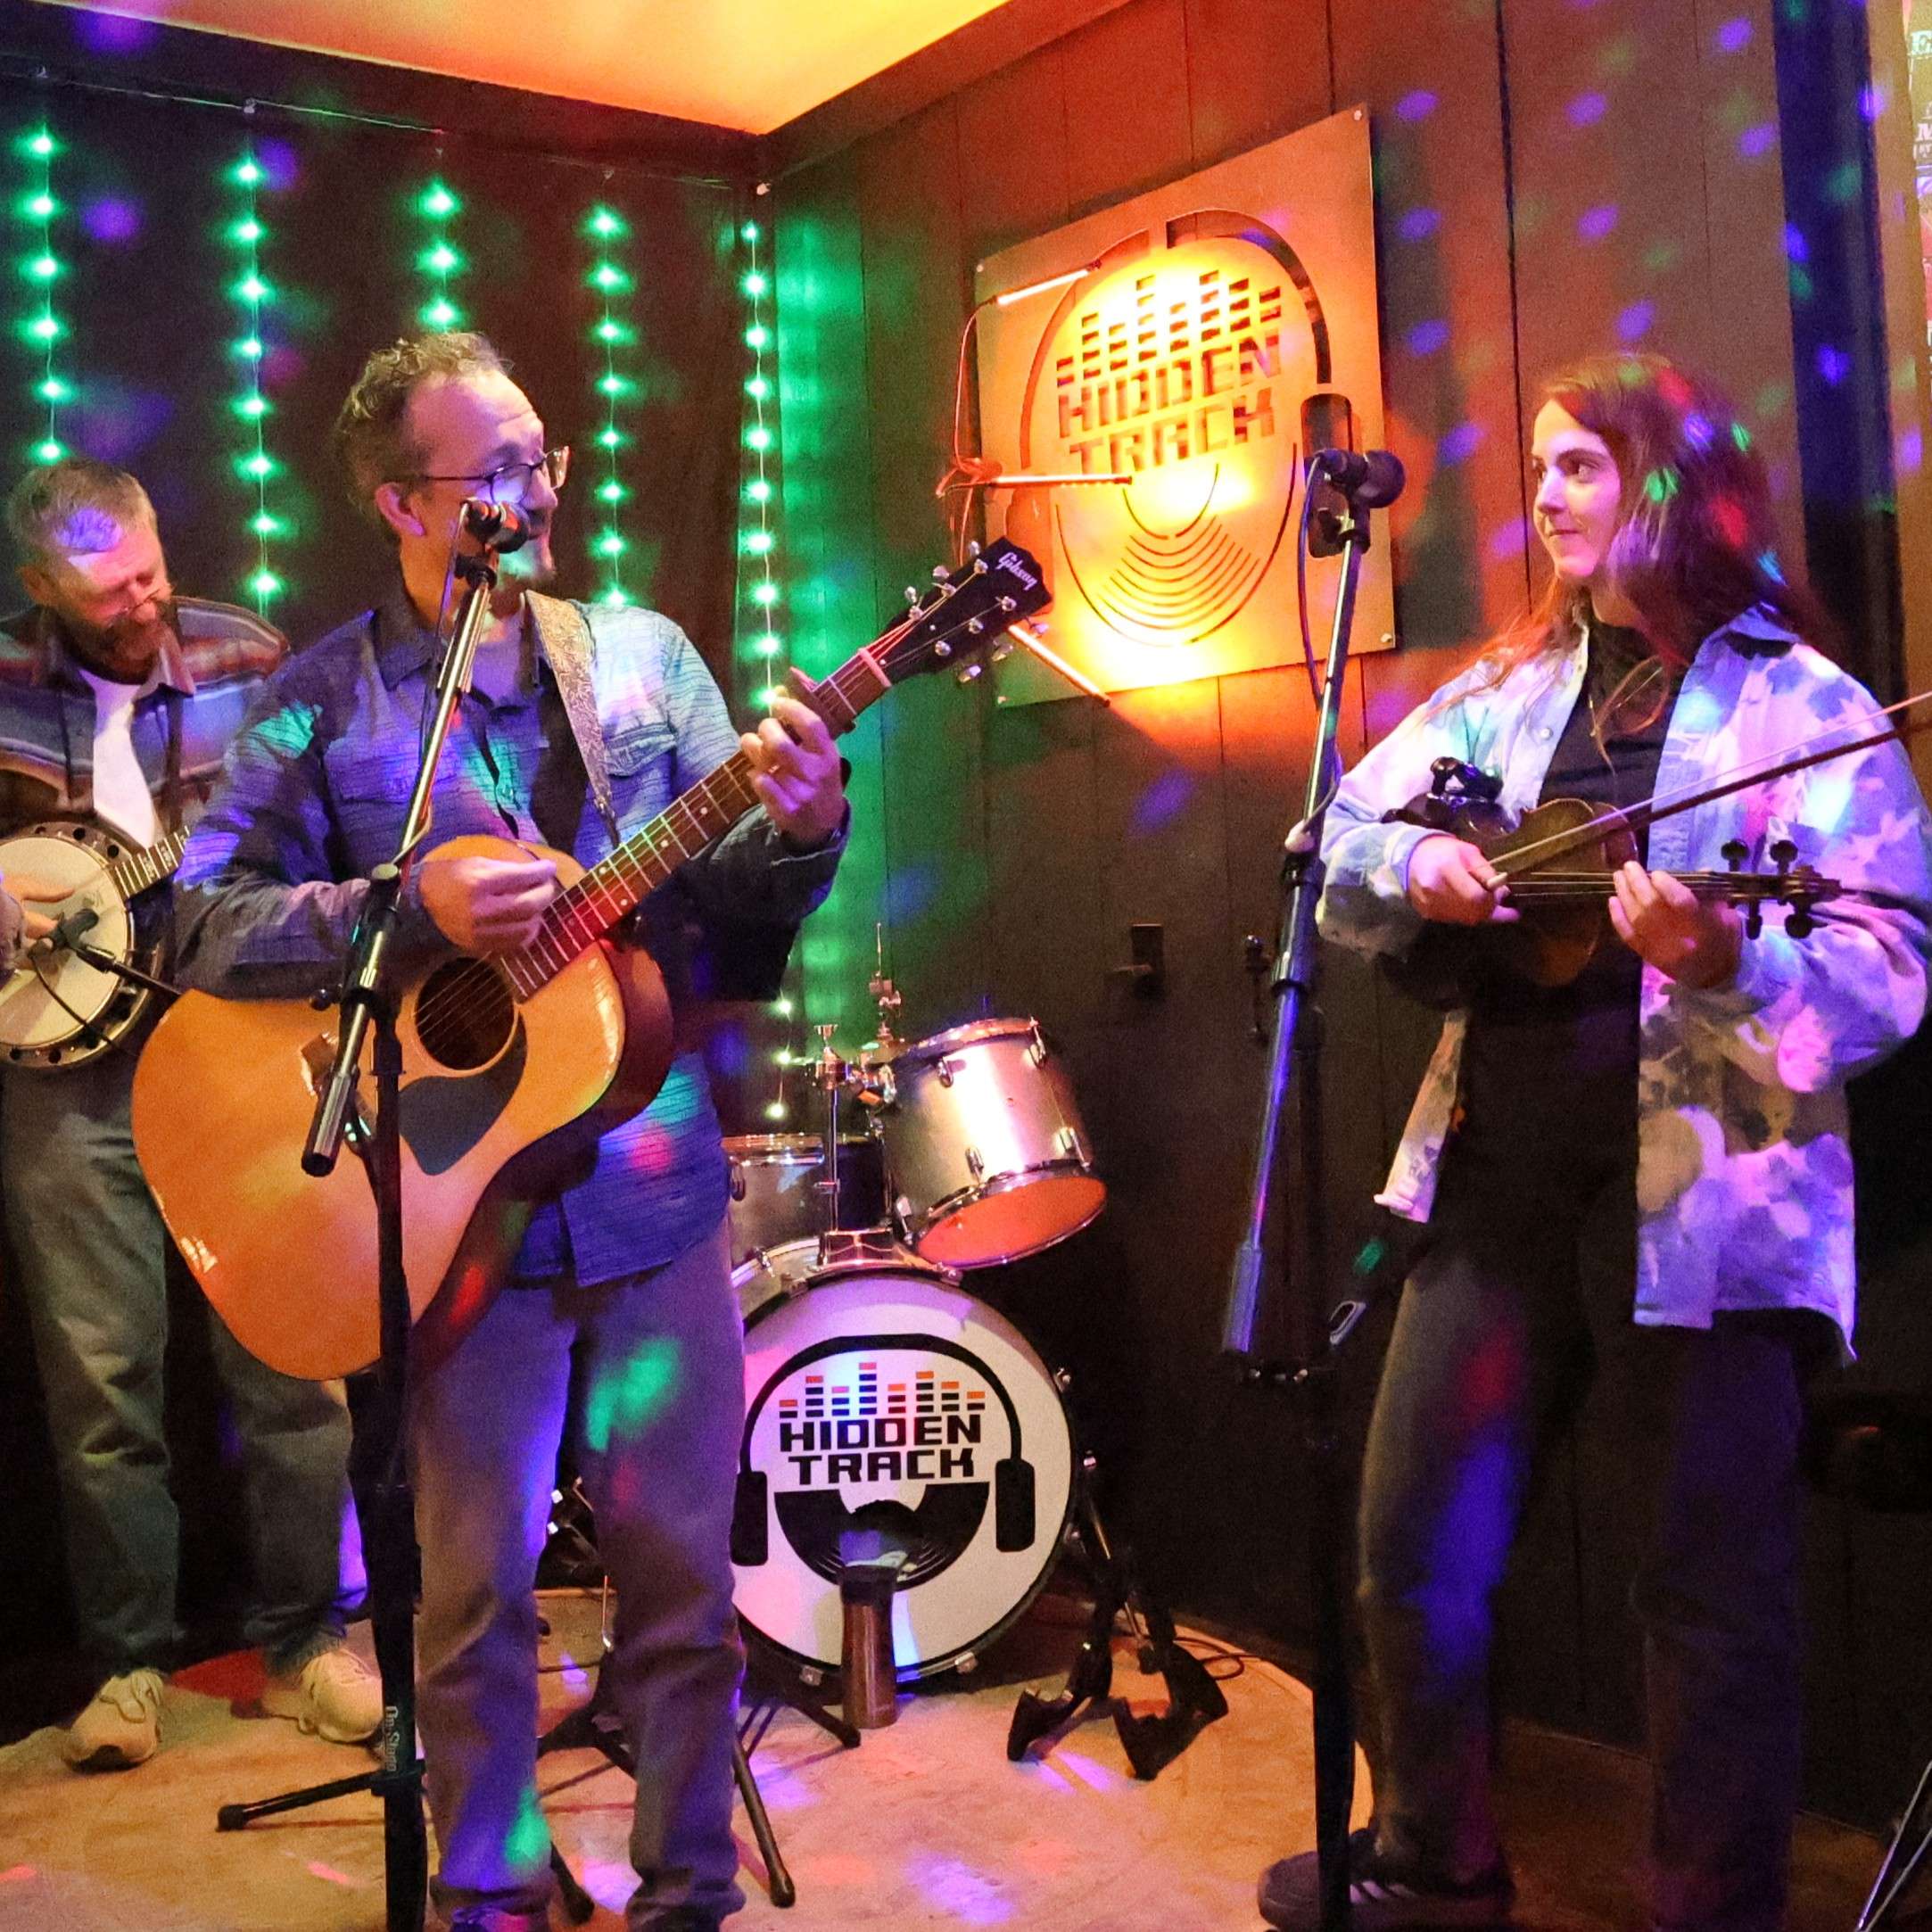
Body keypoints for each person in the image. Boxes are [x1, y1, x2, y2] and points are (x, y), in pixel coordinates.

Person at [174, 331, 848, 1932]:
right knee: (468, 1593)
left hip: (655, 1187)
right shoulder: (310, 701)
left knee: (683, 1580)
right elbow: (197, 918)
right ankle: (488, 1892)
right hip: (438, 1213)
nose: (536, 491)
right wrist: (404, 905)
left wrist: (809, 826)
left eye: (539, 457)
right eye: (496, 472)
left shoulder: (640, 657)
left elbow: (738, 899)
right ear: (406, 506)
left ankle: (690, 1890)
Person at [1258, 354, 1932, 1932]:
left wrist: (1727, 959)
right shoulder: (1502, 690)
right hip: (1493, 1177)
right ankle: (1435, 1855)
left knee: (1708, 1595)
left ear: (1669, 485)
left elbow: (1897, 966)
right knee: (1409, 1539)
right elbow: (1332, 841)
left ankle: (1712, 1909)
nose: (1546, 493)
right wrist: (1418, 859)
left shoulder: (1804, 706)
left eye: (1579, 464)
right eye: (1542, 466)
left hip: (1702, 1208)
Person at [0, 458, 377, 1770]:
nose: (142, 603)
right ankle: (126, 1666)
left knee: (293, 1358)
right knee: (100, 1381)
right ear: (43, 589)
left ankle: (305, 1640)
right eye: (106, 594)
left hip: (240, 1044)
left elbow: (319, 829)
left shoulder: (246, 658)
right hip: (65, 1069)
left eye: (151, 571)